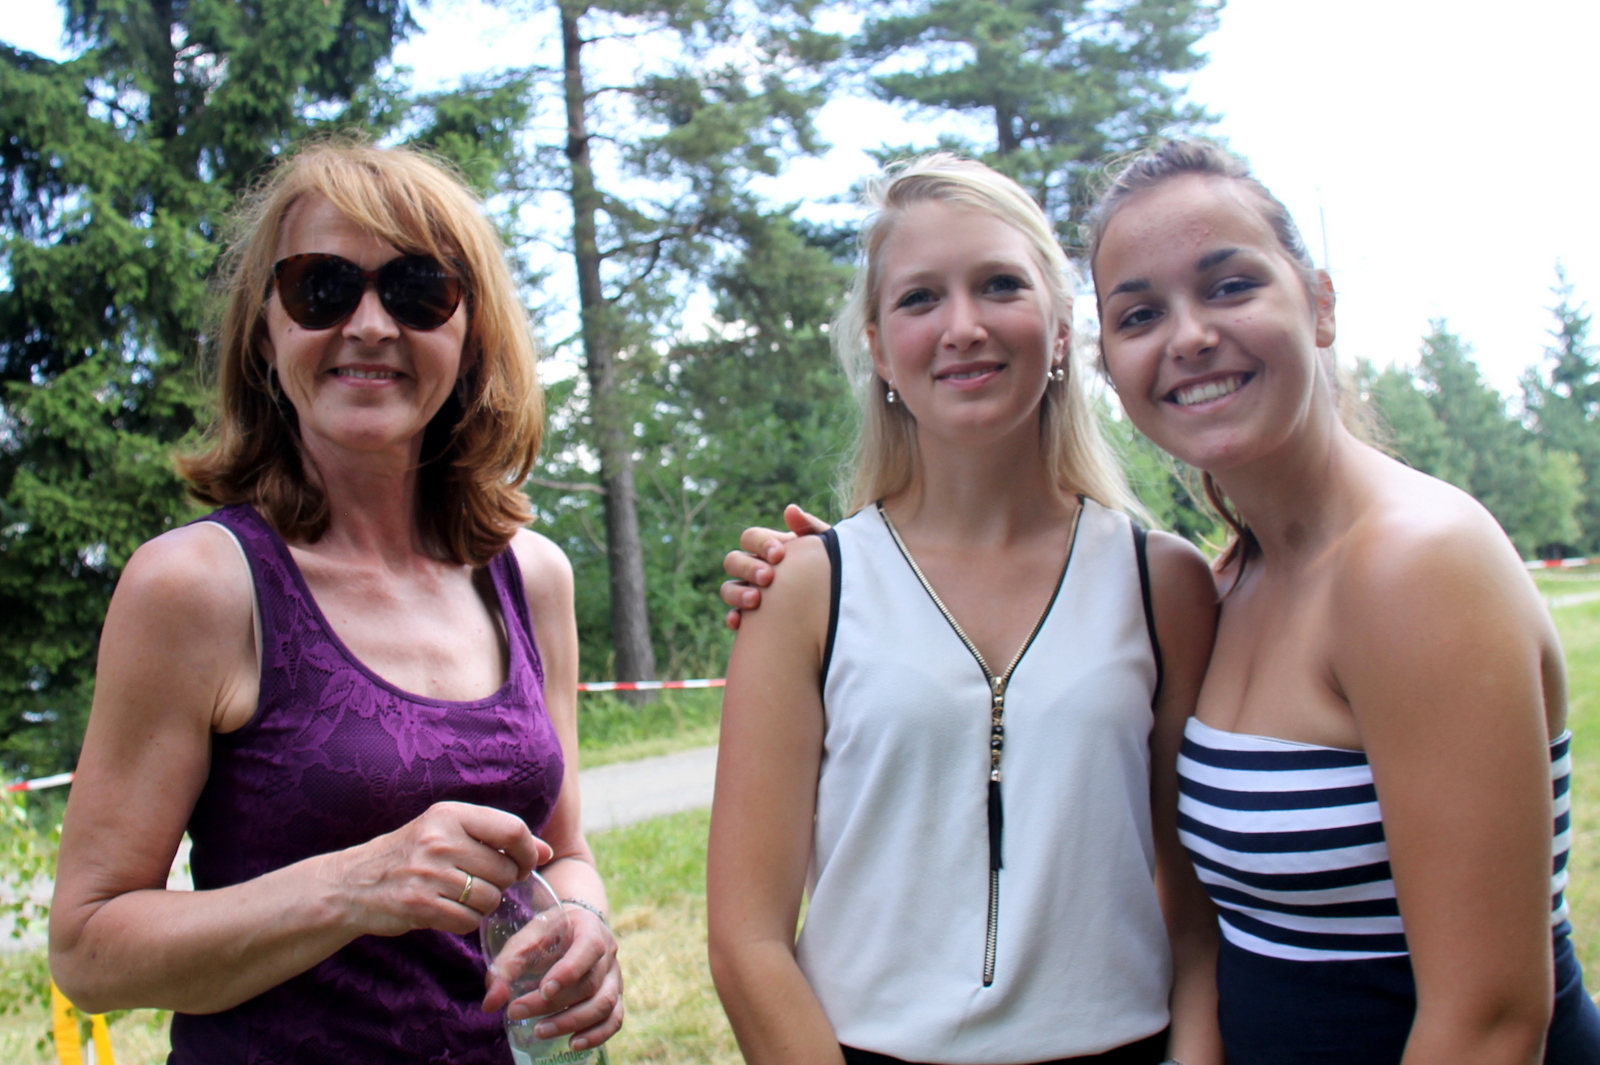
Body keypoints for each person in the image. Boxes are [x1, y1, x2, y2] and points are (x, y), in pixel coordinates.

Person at [727, 139, 1600, 1064]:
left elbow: (1489, 1017)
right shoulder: (1236, 581)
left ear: (1321, 302)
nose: (1188, 337)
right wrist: (840, 581)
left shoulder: (1398, 564)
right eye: (1143, 312)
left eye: (1230, 286)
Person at [48, 142, 622, 1063]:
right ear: (264, 334)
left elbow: (567, 853)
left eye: (419, 290)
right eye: (322, 287)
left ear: (471, 334)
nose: (370, 324)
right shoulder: (197, 587)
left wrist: (585, 925)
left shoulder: (529, 575)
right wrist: (354, 885)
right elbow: (87, 949)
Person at [705, 154, 1223, 1065]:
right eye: (920, 298)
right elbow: (747, 940)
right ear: (878, 348)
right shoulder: (805, 590)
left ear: (1060, 329)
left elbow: (1198, 917)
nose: (964, 326)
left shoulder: (1163, 583)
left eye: (999, 285)